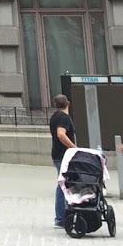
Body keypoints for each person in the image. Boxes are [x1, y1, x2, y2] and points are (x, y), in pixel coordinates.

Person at [48, 93, 76, 228]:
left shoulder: (54, 117)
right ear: (68, 103)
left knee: (63, 184)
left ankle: (63, 216)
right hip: (64, 155)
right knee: (62, 186)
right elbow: (61, 134)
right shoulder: (64, 117)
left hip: (57, 155)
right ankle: (60, 218)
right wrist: (74, 147)